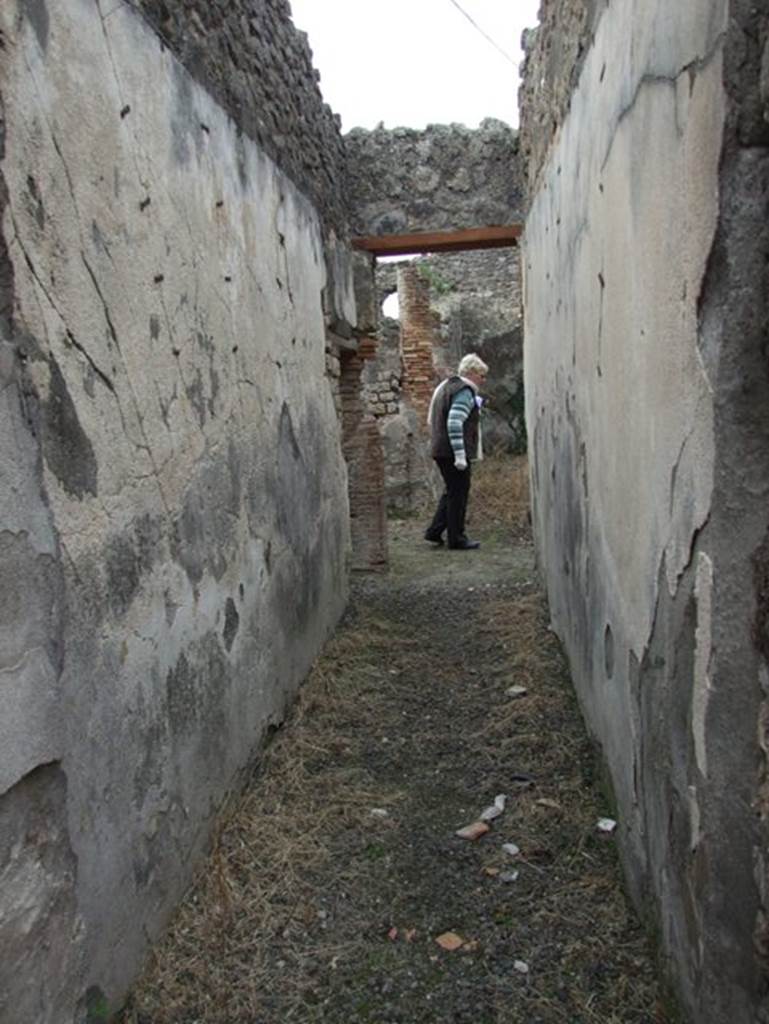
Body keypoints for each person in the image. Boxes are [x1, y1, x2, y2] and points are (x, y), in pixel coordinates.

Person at [424, 353, 489, 550]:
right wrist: (460, 455)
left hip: (440, 448)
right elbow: (454, 422)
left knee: (452, 491)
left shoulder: (445, 387)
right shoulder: (464, 390)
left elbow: (432, 419)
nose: (483, 380)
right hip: (452, 451)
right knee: (459, 493)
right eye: (481, 375)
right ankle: (457, 538)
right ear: (470, 373)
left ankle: (434, 531)